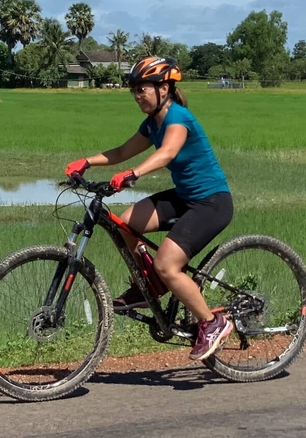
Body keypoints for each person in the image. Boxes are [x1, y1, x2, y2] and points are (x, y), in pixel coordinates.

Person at [64, 56, 234, 361]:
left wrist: (134, 174)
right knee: (125, 223)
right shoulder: (151, 124)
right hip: (185, 197)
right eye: (135, 91)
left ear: (164, 88)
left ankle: (211, 323)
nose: (138, 96)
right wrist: (87, 161)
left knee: (167, 265)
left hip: (212, 202)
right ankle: (151, 285)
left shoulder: (178, 118)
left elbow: (168, 153)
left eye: (143, 89)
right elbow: (121, 151)